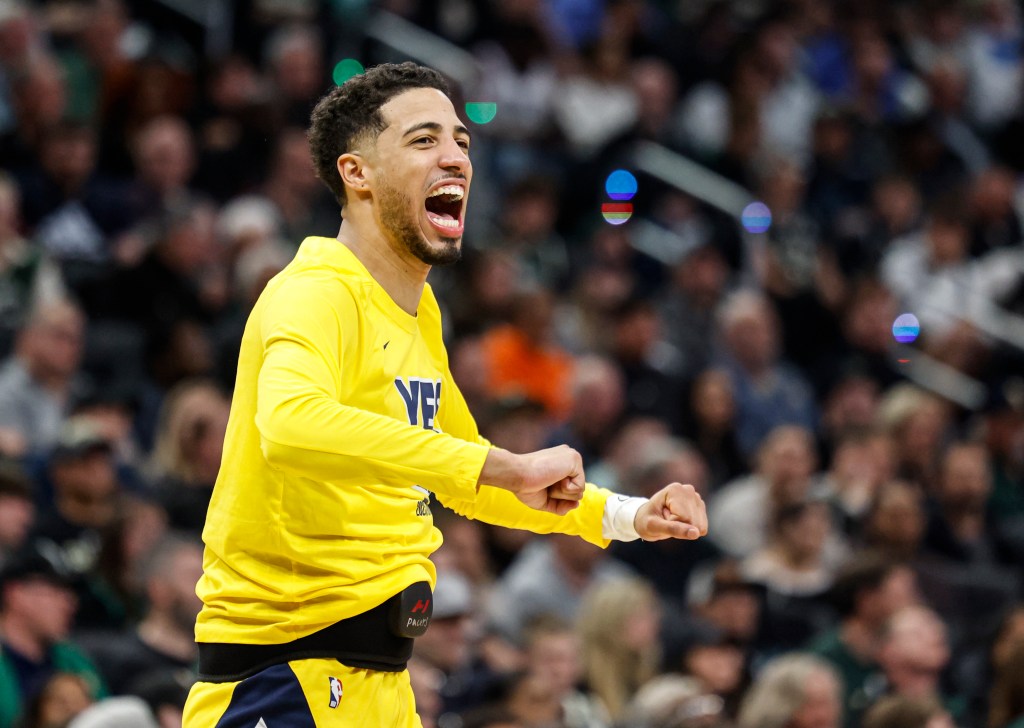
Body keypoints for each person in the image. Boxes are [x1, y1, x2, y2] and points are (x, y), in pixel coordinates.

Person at [182, 62, 708, 727]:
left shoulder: (420, 312)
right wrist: (498, 465)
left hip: (382, 684)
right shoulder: (314, 291)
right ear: (357, 173)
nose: (456, 156)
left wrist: (627, 516)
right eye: (424, 139)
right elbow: (289, 425)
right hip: (286, 675)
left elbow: (467, 475)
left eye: (462, 141)